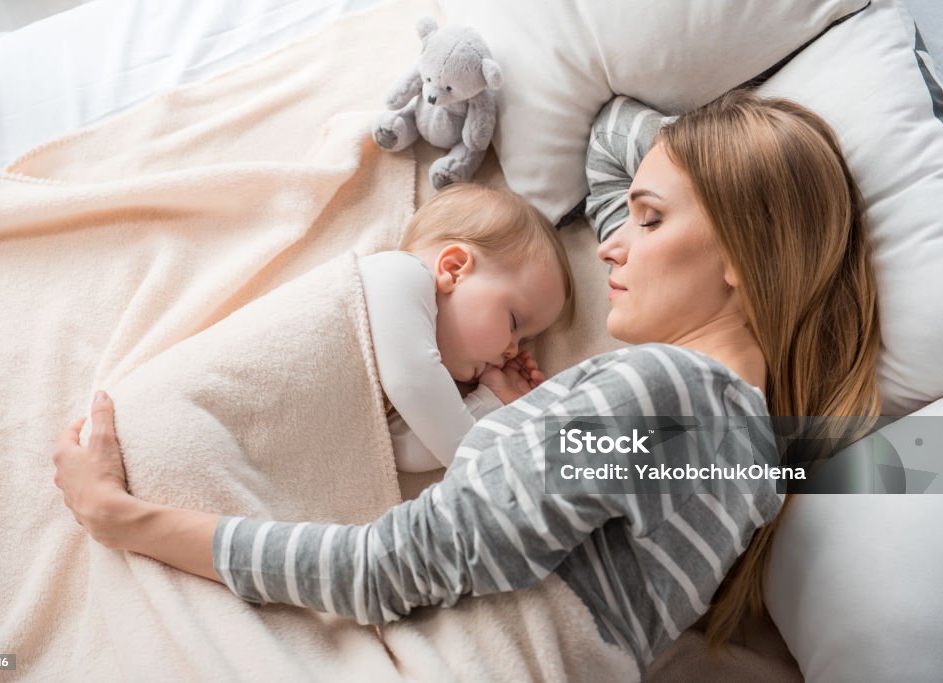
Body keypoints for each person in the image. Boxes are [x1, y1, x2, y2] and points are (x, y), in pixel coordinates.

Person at [52, 88, 881, 676]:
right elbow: (608, 146)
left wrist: (124, 517)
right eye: (629, 216)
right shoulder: (762, 451)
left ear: (742, 253)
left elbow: (381, 570)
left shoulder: (655, 397)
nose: (611, 245)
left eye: (651, 220)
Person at [361, 182, 575, 472]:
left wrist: (492, 401)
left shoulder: (411, 395)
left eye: (525, 341)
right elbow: (412, 383)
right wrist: (491, 467)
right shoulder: (398, 274)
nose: (513, 350)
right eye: (514, 323)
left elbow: (394, 452)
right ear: (454, 269)